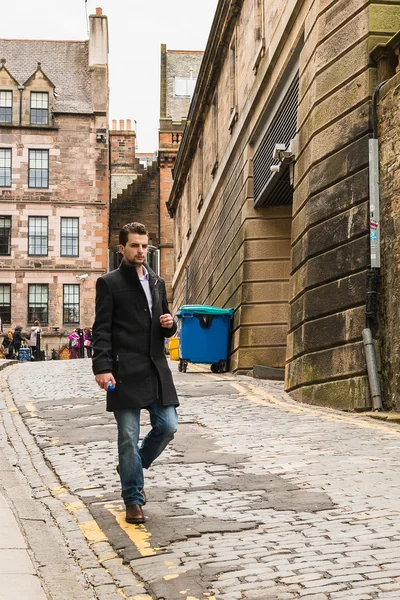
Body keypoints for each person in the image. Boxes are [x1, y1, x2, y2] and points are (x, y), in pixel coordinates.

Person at [92, 222, 178, 524]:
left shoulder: (158, 282)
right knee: (127, 437)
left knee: (168, 426)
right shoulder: (109, 282)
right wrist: (102, 368)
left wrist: (171, 325)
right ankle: (133, 498)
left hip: (155, 368)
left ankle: (132, 467)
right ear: (122, 248)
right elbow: (101, 329)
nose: (140, 251)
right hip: (123, 371)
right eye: (135, 246)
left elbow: (164, 322)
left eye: (144, 246)